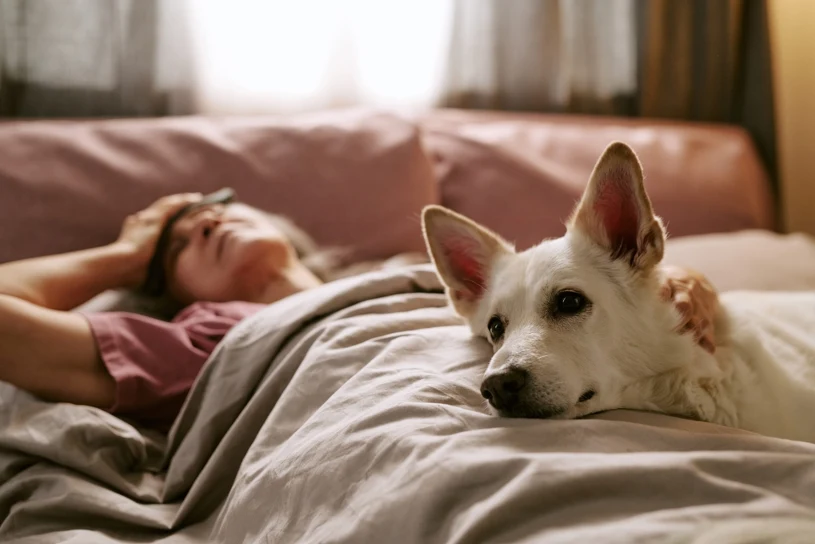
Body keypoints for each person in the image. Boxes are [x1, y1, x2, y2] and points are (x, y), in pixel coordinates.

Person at [0, 193, 721, 432]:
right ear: (179, 294)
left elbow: (573, 282)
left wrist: (677, 281)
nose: (200, 223)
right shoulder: (207, 335)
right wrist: (124, 257)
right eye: (176, 243)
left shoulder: (397, 281)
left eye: (214, 209)